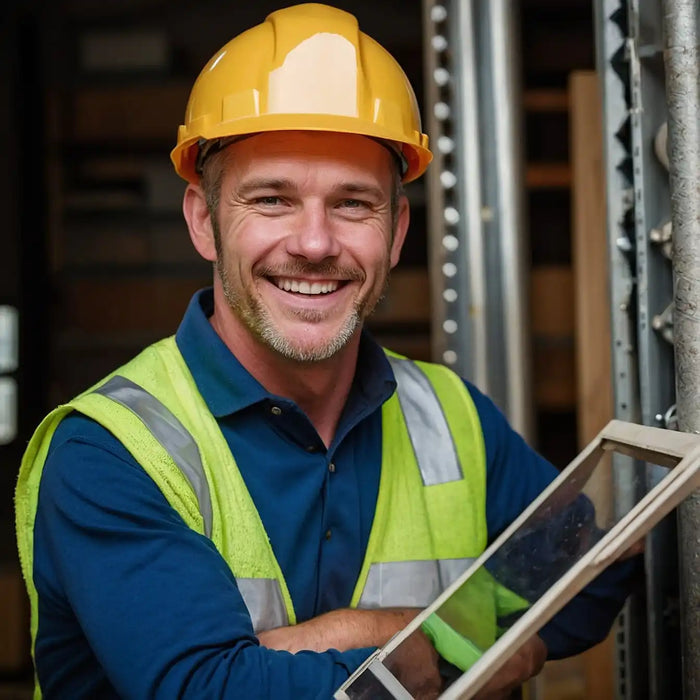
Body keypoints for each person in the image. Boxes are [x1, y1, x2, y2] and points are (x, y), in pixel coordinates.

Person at [15, 4, 638, 699]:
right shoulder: (113, 451)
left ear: (397, 231)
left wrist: (348, 634)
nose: (314, 244)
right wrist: (430, 652)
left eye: (352, 204)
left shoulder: (449, 416)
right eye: (273, 200)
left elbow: (593, 572)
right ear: (203, 220)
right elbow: (204, 692)